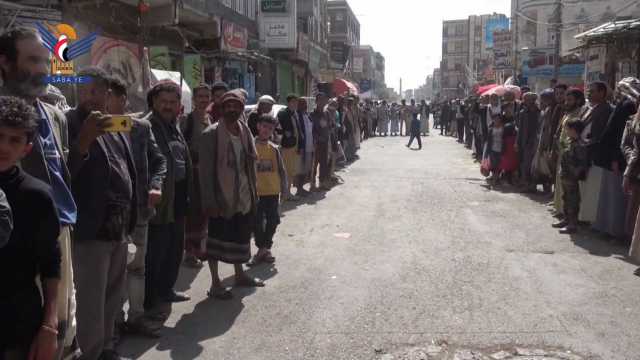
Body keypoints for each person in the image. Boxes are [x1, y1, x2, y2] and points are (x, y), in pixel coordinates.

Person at [0, 26, 80, 359]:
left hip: (57, 235)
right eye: (33, 59)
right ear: (5, 63)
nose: (43, 70)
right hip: (15, 248)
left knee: (62, 329)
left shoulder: (54, 116)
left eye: (46, 61)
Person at [67, 67, 137, 360]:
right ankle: (89, 354)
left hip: (118, 228)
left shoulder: (114, 127)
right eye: (84, 90)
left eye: (96, 91)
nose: (89, 97)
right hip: (90, 231)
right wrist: (82, 141)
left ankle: (107, 348)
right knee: (90, 303)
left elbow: (125, 169)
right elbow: (64, 175)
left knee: (112, 297)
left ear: (108, 96)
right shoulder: (70, 123)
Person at [0, 96, 61, 360]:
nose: (4, 146)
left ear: (27, 148)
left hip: (17, 324)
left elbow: (51, 264)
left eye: (14, 140)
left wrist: (50, 327)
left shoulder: (38, 196)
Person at [106, 76, 166, 338]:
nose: (105, 103)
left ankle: (136, 318)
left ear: (123, 99)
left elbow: (159, 161)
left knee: (136, 268)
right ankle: (113, 324)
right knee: (112, 272)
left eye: (111, 97)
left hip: (139, 211)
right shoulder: (91, 127)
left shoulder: (139, 128)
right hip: (107, 215)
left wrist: (156, 185)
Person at [199, 90, 265, 300]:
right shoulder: (210, 134)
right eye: (227, 106)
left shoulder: (245, 131)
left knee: (241, 236)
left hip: (244, 194)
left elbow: (250, 164)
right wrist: (210, 201)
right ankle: (215, 282)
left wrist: (254, 194)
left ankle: (239, 274)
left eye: (236, 106)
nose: (232, 109)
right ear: (221, 109)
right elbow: (205, 172)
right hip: (221, 195)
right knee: (216, 240)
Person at [145, 81, 193, 317]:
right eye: (163, 102)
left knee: (175, 250)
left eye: (173, 102)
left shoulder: (175, 127)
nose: (168, 106)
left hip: (179, 199)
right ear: (154, 102)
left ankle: (166, 290)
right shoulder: (147, 126)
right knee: (156, 254)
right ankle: (150, 303)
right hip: (160, 202)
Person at [593, 79, 638, 239]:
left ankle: (617, 231)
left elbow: (622, 136)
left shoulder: (629, 106)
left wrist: (616, 158)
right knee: (610, 194)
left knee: (618, 196)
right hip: (612, 157)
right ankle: (608, 228)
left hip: (618, 158)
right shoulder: (622, 103)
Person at [248, 114, 288, 267]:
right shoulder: (250, 146)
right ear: (258, 126)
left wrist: (284, 189)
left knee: (273, 220)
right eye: (264, 127)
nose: (266, 130)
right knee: (256, 223)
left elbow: (282, 170)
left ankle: (263, 249)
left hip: (272, 191)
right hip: (256, 192)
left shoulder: (275, 149)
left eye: (270, 128)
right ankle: (263, 249)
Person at [181, 84, 212, 269]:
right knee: (192, 214)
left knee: (204, 213)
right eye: (200, 96)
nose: (203, 99)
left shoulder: (210, 119)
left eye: (206, 96)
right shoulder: (188, 120)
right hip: (193, 174)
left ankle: (200, 248)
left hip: (207, 175)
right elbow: (181, 146)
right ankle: (189, 252)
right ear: (194, 99)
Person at [578, 82, 613, 224]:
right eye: (588, 91)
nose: (589, 93)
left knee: (593, 189)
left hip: (594, 154)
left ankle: (591, 221)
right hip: (583, 151)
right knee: (584, 188)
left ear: (602, 93)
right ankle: (582, 217)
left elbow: (600, 135)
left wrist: (587, 143)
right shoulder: (589, 109)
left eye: (592, 91)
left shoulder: (606, 110)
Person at [553, 89, 587, 219]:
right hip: (563, 153)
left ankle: (571, 220)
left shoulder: (581, 113)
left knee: (571, 191)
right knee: (563, 187)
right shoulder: (567, 113)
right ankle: (562, 213)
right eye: (566, 100)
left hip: (572, 156)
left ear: (578, 100)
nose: (567, 102)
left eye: (570, 100)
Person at [553, 118, 588, 234]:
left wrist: (575, 173)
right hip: (565, 175)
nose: (566, 131)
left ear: (574, 130)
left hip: (572, 177)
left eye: (568, 129)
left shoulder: (580, 145)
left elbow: (582, 163)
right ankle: (566, 219)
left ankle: (572, 224)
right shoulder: (569, 142)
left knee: (573, 200)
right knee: (566, 198)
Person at [515, 92, 541, 193]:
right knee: (525, 164)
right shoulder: (523, 112)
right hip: (524, 142)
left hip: (536, 142)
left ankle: (532, 185)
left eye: (527, 99)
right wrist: (517, 142)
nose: (524, 101)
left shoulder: (540, 112)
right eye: (524, 99)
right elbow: (520, 129)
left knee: (534, 165)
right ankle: (527, 184)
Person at [277, 94, 300, 200]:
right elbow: (277, 127)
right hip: (286, 146)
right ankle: (285, 194)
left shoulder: (295, 114)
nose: (295, 104)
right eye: (293, 102)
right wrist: (285, 132)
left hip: (295, 145)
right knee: (286, 170)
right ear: (288, 102)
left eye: (296, 102)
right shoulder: (283, 113)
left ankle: (288, 193)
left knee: (292, 171)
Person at [310, 93, 332, 191]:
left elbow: (330, 125)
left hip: (325, 142)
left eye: (324, 100)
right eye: (320, 100)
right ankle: (312, 184)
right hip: (316, 143)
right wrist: (317, 138)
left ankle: (322, 183)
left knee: (324, 163)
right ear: (316, 101)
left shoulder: (326, 113)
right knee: (314, 164)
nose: (322, 102)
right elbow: (311, 130)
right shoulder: (312, 114)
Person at [296, 98, 314, 196]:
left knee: (307, 168)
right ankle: (299, 189)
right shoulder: (297, 116)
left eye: (305, 104)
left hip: (310, 147)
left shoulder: (308, 115)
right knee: (301, 169)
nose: (305, 106)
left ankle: (301, 187)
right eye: (302, 104)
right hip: (302, 147)